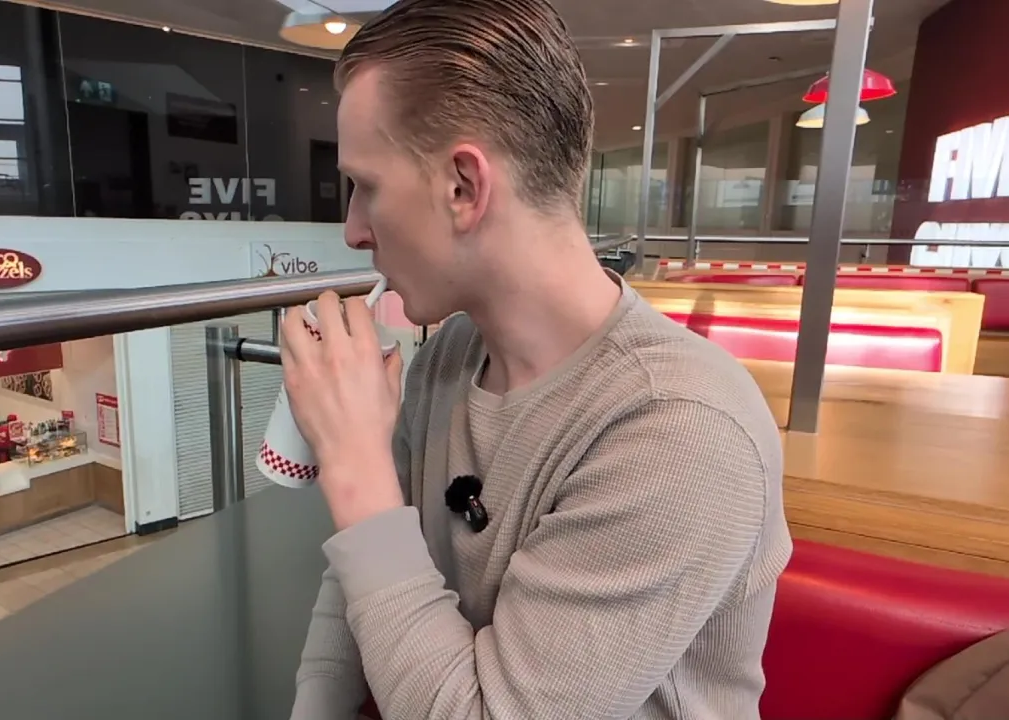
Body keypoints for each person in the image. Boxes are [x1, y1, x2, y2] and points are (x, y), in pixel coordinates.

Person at [278, 1, 792, 718]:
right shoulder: (448, 358)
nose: (354, 230)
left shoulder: (681, 429)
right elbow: (359, 581)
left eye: (367, 186)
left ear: (463, 187)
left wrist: (354, 462)